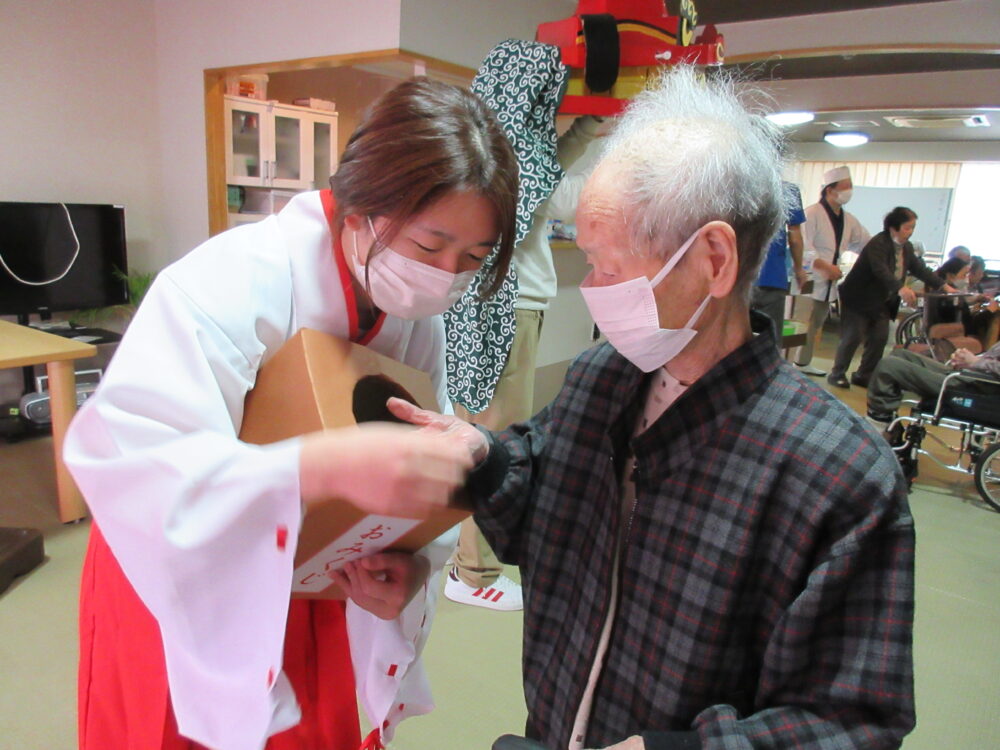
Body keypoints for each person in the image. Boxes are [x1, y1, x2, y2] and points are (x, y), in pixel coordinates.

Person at [393, 67, 916, 750]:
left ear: (714, 260)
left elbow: (850, 720)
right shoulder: (602, 380)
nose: (594, 289)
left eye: (607, 266)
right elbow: (544, 500)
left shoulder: (839, 475)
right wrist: (481, 458)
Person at [62, 78, 518, 750]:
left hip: (319, 580)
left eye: (471, 261)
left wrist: (413, 567)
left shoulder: (417, 320)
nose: (444, 276)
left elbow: (429, 457)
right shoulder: (232, 280)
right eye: (429, 247)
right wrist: (314, 466)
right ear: (364, 205)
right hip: (177, 578)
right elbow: (134, 463)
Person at [828, 206, 951, 388]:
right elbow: (880, 270)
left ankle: (864, 374)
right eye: (907, 227)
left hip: (882, 302)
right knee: (853, 336)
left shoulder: (906, 247)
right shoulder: (878, 243)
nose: (910, 232)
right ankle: (837, 374)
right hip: (859, 299)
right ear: (894, 228)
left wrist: (943, 285)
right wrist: (900, 288)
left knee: (879, 338)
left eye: (913, 228)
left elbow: (919, 269)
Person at [795, 165, 871, 376]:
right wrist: (824, 267)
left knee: (815, 322)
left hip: (828, 281)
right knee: (799, 322)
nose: (849, 192)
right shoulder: (812, 214)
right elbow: (803, 247)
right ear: (830, 190)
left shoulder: (848, 220)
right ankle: (791, 362)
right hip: (809, 277)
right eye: (845, 187)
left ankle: (803, 362)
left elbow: (864, 242)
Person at [866, 342, 1000, 423]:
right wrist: (968, 360)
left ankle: (879, 421)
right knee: (900, 354)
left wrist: (975, 362)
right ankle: (885, 417)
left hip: (980, 389)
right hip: (974, 377)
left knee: (889, 366)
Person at [751, 181, 807, 344]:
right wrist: (799, 269)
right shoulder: (788, 190)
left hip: (739, 277)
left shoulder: (738, 182)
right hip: (772, 276)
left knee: (733, 339)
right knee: (771, 339)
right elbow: (795, 237)